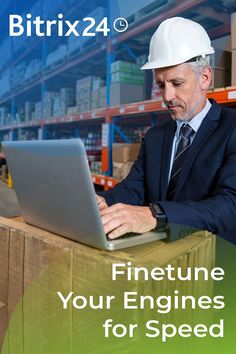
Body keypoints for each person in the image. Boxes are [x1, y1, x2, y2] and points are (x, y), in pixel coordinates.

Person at [97, 17, 236, 244]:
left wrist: (155, 215)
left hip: (214, 260)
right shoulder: (156, 135)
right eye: (161, 85)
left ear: (205, 78)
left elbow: (230, 205)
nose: (167, 96)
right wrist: (103, 200)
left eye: (177, 83)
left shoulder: (231, 128)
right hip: (160, 256)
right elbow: (135, 187)